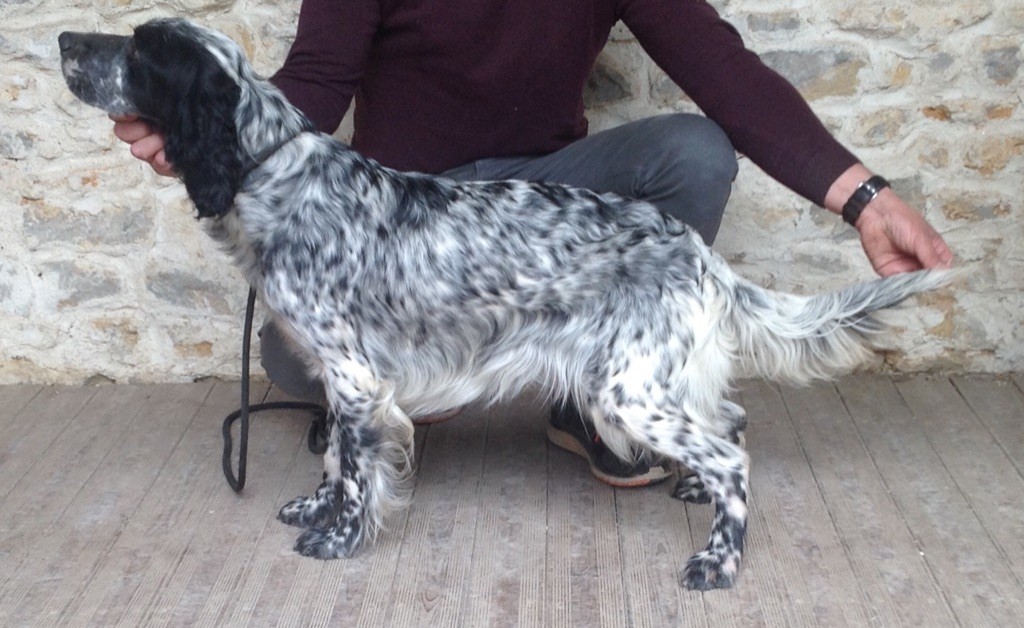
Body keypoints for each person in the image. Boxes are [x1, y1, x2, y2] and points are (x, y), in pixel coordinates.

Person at [112, 0, 953, 487]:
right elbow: (313, 86)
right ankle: (425, 385)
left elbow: (723, 69)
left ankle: (592, 392)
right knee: (297, 363)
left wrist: (864, 198)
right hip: (414, 222)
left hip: (544, 191)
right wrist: (197, 132)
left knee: (691, 151)